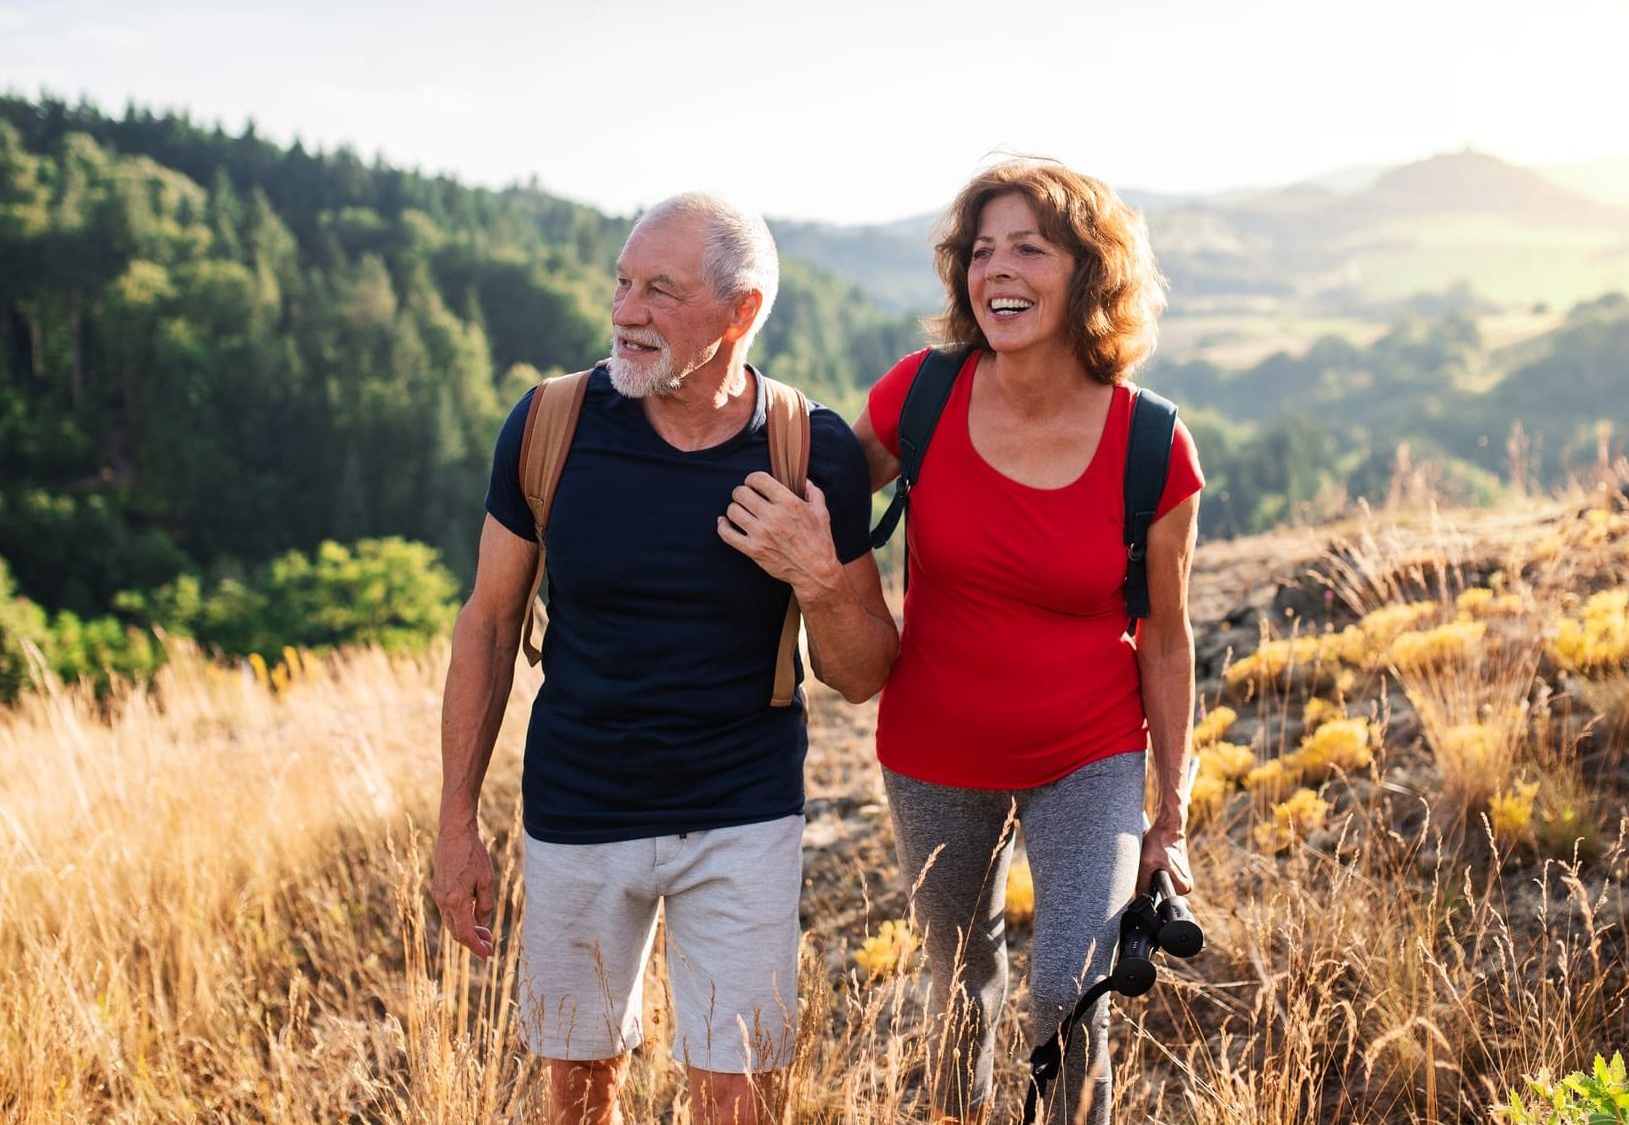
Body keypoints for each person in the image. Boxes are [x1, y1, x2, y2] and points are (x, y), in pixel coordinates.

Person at [431, 192, 897, 1125]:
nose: (625, 310)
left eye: (659, 290)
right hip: (577, 808)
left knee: (736, 1098)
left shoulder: (811, 449)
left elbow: (862, 671)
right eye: (622, 281)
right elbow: (486, 623)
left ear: (742, 312)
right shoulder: (549, 425)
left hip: (741, 813)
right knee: (578, 1094)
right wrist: (455, 825)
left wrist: (819, 575)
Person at [855, 160, 1203, 1125]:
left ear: (1088, 274)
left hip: (1086, 752)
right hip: (932, 748)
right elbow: (817, 491)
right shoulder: (919, 396)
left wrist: (1166, 814)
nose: (994, 270)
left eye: (1027, 249)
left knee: (1069, 987)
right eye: (980, 250)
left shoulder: (1153, 445)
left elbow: (1166, 642)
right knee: (959, 993)